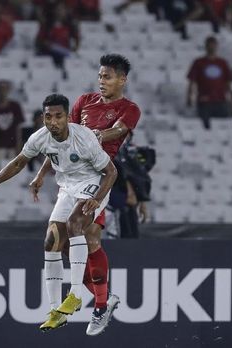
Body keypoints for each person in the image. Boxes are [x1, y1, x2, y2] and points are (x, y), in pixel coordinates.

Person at [0, 93, 118, 334]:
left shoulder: (84, 137)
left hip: (94, 182)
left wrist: (97, 198)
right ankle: (56, 310)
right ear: (42, 117)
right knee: (51, 242)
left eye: (58, 116)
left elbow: (111, 171)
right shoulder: (40, 137)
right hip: (67, 186)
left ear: (67, 117)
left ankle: (76, 294)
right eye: (48, 117)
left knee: (75, 224)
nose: (53, 121)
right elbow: (17, 163)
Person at [31, 54, 140, 335]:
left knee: (88, 237)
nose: (102, 81)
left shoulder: (128, 108)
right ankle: (103, 300)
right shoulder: (84, 101)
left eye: (108, 76)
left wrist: (95, 136)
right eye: (100, 75)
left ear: (122, 79)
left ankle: (99, 304)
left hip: (99, 177)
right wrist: (43, 172)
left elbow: (118, 131)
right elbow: (60, 140)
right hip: (71, 179)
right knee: (66, 243)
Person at [187, 36, 232, 129]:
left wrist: (231, 99)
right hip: (205, 101)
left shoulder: (222, 62)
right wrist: (189, 96)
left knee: (223, 127)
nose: (211, 47)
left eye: (213, 45)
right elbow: (192, 81)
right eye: (209, 45)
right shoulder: (198, 62)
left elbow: (228, 82)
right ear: (206, 46)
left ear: (217, 46)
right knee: (206, 127)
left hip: (221, 100)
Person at [0, 80, 25, 171]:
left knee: (13, 171)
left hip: (12, 145)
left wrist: (19, 147)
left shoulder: (15, 107)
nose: (3, 91)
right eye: (1, 89)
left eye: (5, 89)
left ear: (8, 90)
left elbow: (18, 129)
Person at [35, 2, 79, 66]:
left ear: (65, 11)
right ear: (54, 11)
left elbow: (76, 41)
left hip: (65, 54)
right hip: (49, 54)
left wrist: (74, 47)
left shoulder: (70, 26)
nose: (60, 12)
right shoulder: (47, 25)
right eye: (58, 10)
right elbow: (39, 40)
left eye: (62, 10)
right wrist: (45, 43)